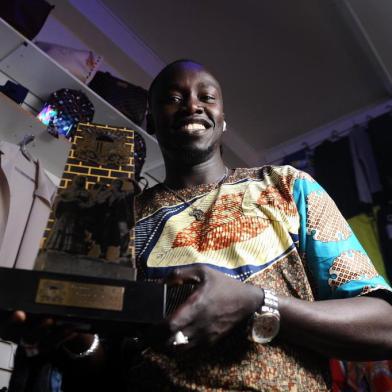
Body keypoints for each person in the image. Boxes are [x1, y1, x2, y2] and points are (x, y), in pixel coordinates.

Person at [3, 59, 392, 392]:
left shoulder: (286, 186)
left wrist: (258, 303)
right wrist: (78, 340)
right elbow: (103, 372)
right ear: (150, 121)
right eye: (173, 98)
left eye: (206, 97)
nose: (192, 105)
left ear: (223, 119)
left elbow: (383, 325)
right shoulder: (115, 219)